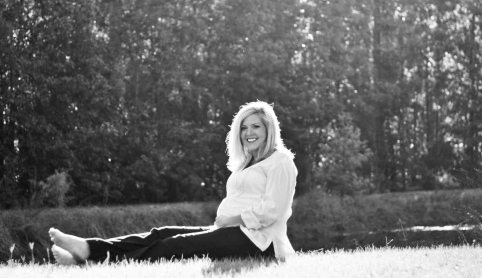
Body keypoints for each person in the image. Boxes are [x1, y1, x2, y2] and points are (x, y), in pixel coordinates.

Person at [48, 100, 298, 264]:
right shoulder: (248, 162)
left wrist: (230, 220)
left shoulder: (280, 161)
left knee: (174, 246)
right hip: (231, 231)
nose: (249, 133)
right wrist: (226, 223)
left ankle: (94, 260)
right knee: (161, 233)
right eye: (244, 128)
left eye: (256, 126)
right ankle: (88, 248)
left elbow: (272, 210)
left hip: (260, 242)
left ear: (269, 129)